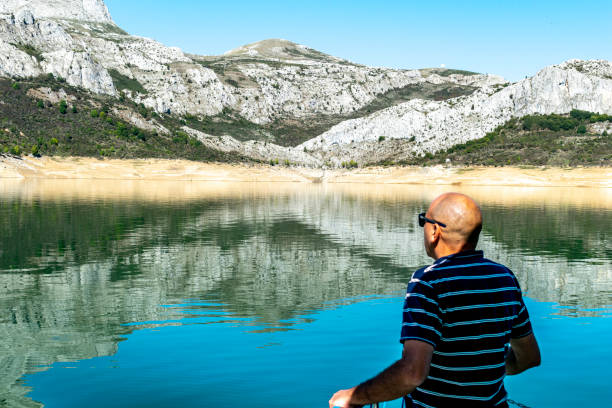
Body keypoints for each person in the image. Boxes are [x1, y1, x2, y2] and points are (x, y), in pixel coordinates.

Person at [329, 192, 541, 408]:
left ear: (434, 231)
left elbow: (412, 374)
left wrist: (353, 396)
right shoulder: (504, 278)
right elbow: (529, 357)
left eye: (424, 220)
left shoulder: (428, 281)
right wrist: (483, 369)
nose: (423, 226)